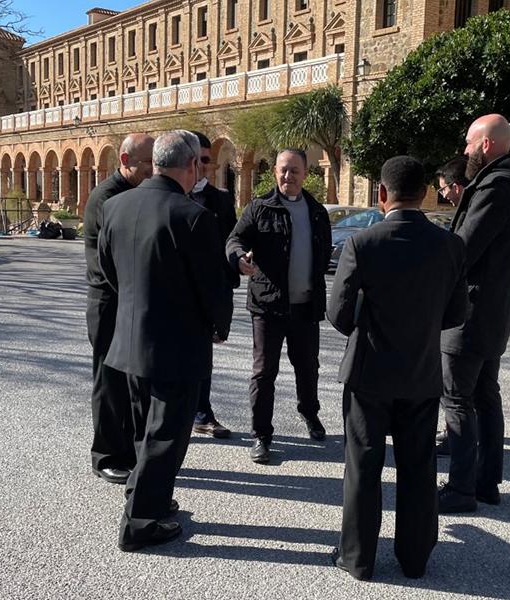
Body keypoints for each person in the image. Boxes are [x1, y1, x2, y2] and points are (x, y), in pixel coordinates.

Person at [327, 156, 467, 581]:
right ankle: (414, 558)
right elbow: (456, 313)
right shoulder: (450, 245)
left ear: (382, 194)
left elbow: (338, 315)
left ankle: (357, 558)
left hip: (369, 371)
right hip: (421, 371)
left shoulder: (362, 244)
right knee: (418, 467)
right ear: (424, 193)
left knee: (363, 465)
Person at [98, 131, 233, 552]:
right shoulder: (193, 216)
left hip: (129, 339)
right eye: (200, 164)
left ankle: (146, 495)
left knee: (144, 431)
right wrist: (219, 325)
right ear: (191, 164)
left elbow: (107, 271)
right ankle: (140, 522)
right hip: (177, 344)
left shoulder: (115, 206)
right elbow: (213, 287)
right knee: (166, 436)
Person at [438, 114, 510, 513]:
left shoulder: (496, 186)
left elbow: (464, 249)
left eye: (469, 142)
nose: (464, 150)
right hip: (493, 312)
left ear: (485, 145)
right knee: (484, 396)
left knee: (457, 398)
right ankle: (486, 484)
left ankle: (462, 490)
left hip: (471, 313)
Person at [226, 149, 333, 464]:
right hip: (268, 306)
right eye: (283, 170)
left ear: (305, 173)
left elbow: (324, 253)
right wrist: (239, 258)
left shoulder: (317, 212)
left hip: (306, 307)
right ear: (275, 171)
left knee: (308, 366)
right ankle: (261, 435)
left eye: (295, 170)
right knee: (263, 372)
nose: (289, 176)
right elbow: (235, 240)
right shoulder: (259, 208)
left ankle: (309, 412)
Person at [84, 133, 155, 484]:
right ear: (125, 161)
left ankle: (131, 451)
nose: (152, 170)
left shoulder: (137, 193)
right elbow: (108, 262)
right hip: (110, 302)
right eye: (147, 164)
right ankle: (106, 456)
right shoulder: (106, 198)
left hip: (131, 301)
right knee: (109, 381)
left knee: (134, 382)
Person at [189, 131, 239, 439]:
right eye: (199, 159)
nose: (204, 166)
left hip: (206, 294)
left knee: (203, 355)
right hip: (173, 293)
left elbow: (231, 242)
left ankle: (201, 413)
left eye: (208, 160)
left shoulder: (220, 199)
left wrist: (237, 263)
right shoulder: (166, 196)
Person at [433, 155, 470, 456]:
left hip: (464, 317)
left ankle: (456, 445)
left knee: (454, 391)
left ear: (456, 186)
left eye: (443, 189)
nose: (443, 195)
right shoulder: (469, 210)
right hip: (476, 315)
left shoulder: (470, 212)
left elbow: (459, 258)